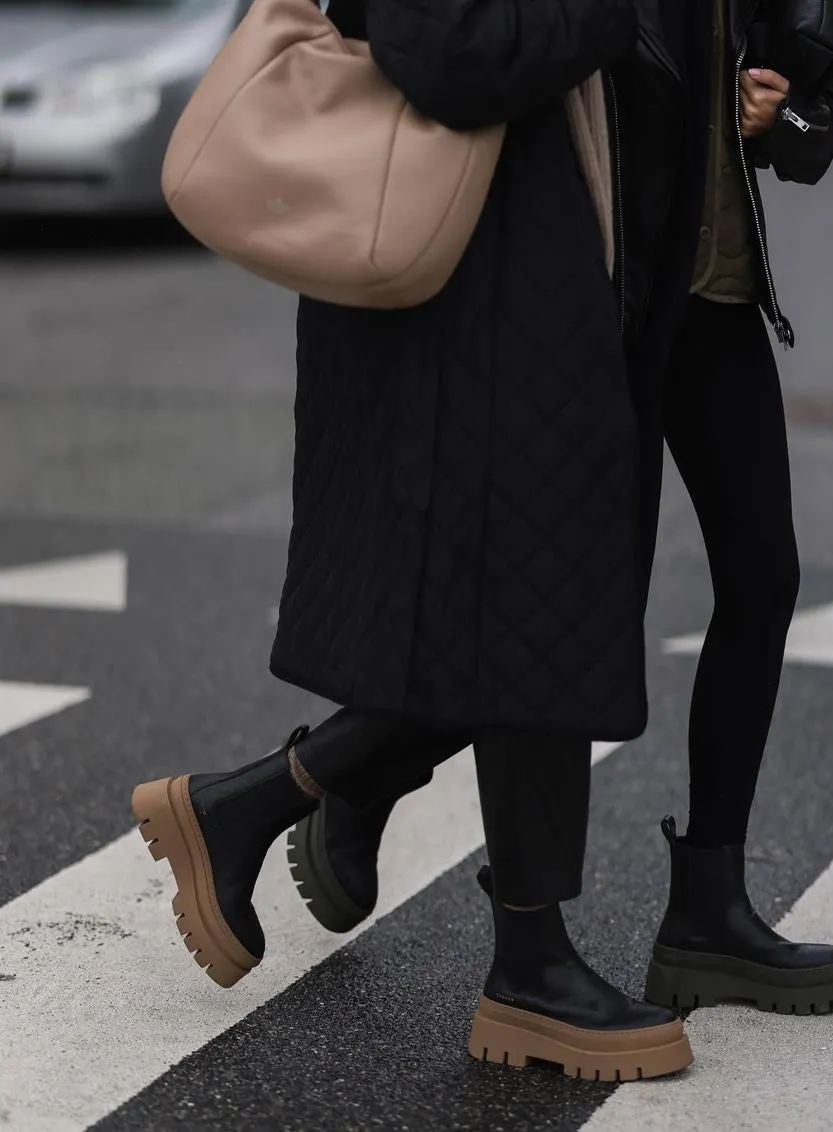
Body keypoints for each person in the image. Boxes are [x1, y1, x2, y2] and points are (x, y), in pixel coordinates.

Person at [132, 0, 695, 1086]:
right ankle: (527, 967)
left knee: (528, 609)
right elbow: (450, 48)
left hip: (511, 283)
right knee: (533, 607)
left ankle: (251, 811)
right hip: (459, 301)